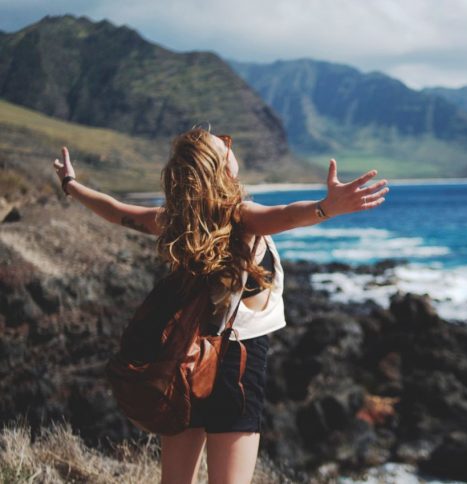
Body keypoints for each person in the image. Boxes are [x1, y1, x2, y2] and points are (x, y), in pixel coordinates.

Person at [51, 127, 389, 484]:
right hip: (237, 364)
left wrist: (70, 185)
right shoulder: (241, 217)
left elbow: (117, 211)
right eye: (224, 144)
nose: (230, 143)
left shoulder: (177, 221)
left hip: (185, 356)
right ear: (221, 168)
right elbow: (288, 214)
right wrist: (327, 207)